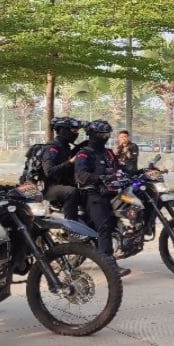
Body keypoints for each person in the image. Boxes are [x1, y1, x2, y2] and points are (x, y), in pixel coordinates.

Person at [73, 119, 131, 278]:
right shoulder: (85, 153)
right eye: (103, 134)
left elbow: (123, 168)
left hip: (111, 193)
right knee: (105, 226)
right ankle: (110, 265)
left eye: (107, 133)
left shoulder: (109, 153)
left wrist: (142, 172)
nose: (106, 136)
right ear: (93, 135)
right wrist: (100, 178)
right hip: (93, 194)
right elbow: (81, 175)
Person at [41, 117, 83, 222]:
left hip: (62, 184)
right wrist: (70, 162)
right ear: (63, 130)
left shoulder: (66, 147)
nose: (76, 133)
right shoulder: (52, 148)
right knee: (71, 192)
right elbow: (49, 171)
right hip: (49, 187)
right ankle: (71, 226)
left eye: (77, 130)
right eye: (73, 130)